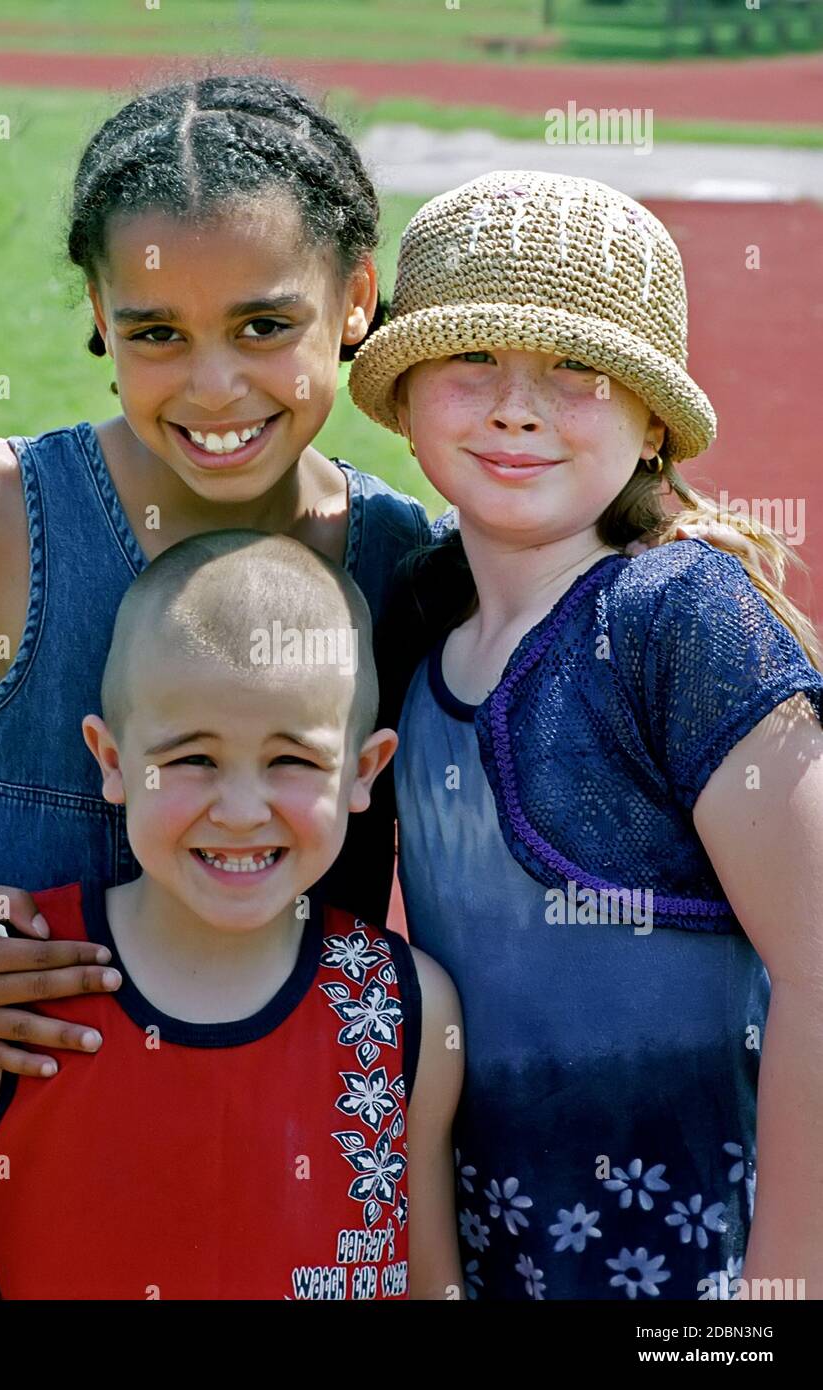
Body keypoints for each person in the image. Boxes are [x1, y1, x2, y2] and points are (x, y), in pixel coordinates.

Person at [0, 74, 439, 1080]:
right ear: (101, 313)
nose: (214, 385)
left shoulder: (404, 562)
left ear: (355, 297)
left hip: (292, 1161)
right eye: (156, 333)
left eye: (263, 327)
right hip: (17, 1147)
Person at [347, 169, 823, 1300]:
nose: (516, 407)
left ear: (653, 420)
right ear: (403, 394)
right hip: (490, 1250)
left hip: (692, 1272)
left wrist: (779, 1297)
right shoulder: (412, 608)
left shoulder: (679, 617)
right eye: (471, 362)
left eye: (575, 371)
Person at [0, 531, 464, 1300]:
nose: (238, 811)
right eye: (193, 759)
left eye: (291, 760)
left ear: (364, 772)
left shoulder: (406, 1008)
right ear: (112, 761)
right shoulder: (19, 978)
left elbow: (429, 1284)